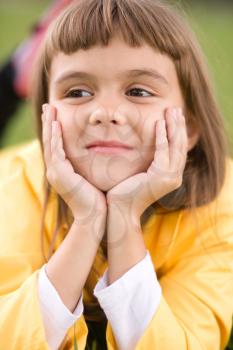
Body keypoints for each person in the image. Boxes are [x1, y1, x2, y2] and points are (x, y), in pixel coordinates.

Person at [0, 0, 233, 349]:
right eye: (77, 92)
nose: (105, 113)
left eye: (138, 91)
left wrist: (124, 218)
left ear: (192, 127)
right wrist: (87, 221)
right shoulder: (12, 185)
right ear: (47, 114)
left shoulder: (223, 207)